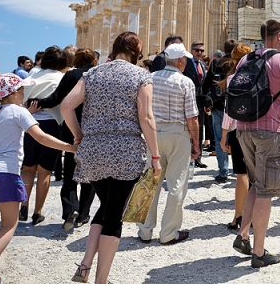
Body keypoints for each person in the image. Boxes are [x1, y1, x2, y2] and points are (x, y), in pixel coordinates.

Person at [60, 31, 160, 284]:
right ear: (136, 50)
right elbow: (146, 118)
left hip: (93, 151)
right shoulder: (141, 75)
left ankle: (85, 265)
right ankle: (100, 280)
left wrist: (80, 135)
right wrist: (156, 156)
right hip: (125, 151)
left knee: (106, 207)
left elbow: (66, 106)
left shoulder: (92, 73)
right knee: (114, 217)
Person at [0, 74, 76, 284]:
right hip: (5, 173)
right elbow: (42, 137)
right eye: (22, 90)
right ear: (15, 93)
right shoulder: (19, 112)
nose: (24, 93)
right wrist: (70, 147)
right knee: (9, 225)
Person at [231, 19, 280, 268]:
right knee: (266, 191)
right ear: (278, 37)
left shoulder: (245, 59)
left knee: (256, 183)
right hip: (270, 130)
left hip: (243, 128)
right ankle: (259, 253)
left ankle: (243, 235)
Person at [137, 43, 200, 245]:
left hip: (152, 133)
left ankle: (145, 230)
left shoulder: (150, 78)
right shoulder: (185, 82)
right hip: (176, 133)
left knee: (150, 181)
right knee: (176, 183)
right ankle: (169, 232)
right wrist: (196, 142)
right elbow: (192, 118)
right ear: (180, 61)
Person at [32, 49, 97, 231]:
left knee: (70, 169)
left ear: (76, 60)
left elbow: (55, 99)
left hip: (71, 125)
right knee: (90, 172)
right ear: (94, 60)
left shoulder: (70, 75)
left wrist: (35, 102)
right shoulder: (98, 75)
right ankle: (84, 214)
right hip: (94, 129)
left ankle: (70, 209)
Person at [19, 46, 67, 225]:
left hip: (29, 123)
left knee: (28, 168)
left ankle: (23, 205)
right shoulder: (61, 78)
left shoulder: (32, 76)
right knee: (45, 171)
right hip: (51, 124)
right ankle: (37, 212)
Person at [220, 44, 253, 229]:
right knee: (255, 176)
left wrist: (225, 133)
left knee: (242, 174)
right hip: (260, 129)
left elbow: (229, 110)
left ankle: (239, 217)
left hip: (239, 129)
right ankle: (255, 216)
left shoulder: (234, 78)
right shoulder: (261, 76)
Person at [203, 39, 237, 183]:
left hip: (218, 105)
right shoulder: (238, 63)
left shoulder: (216, 63)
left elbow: (206, 84)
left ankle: (223, 172)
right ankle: (239, 170)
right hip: (236, 107)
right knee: (236, 139)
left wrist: (206, 102)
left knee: (219, 138)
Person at [184, 41, 210, 168]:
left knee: (199, 129)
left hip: (200, 101)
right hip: (188, 100)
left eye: (202, 51)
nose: (199, 53)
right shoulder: (186, 63)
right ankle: (187, 156)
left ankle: (197, 157)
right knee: (189, 129)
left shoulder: (203, 65)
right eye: (197, 50)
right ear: (191, 51)